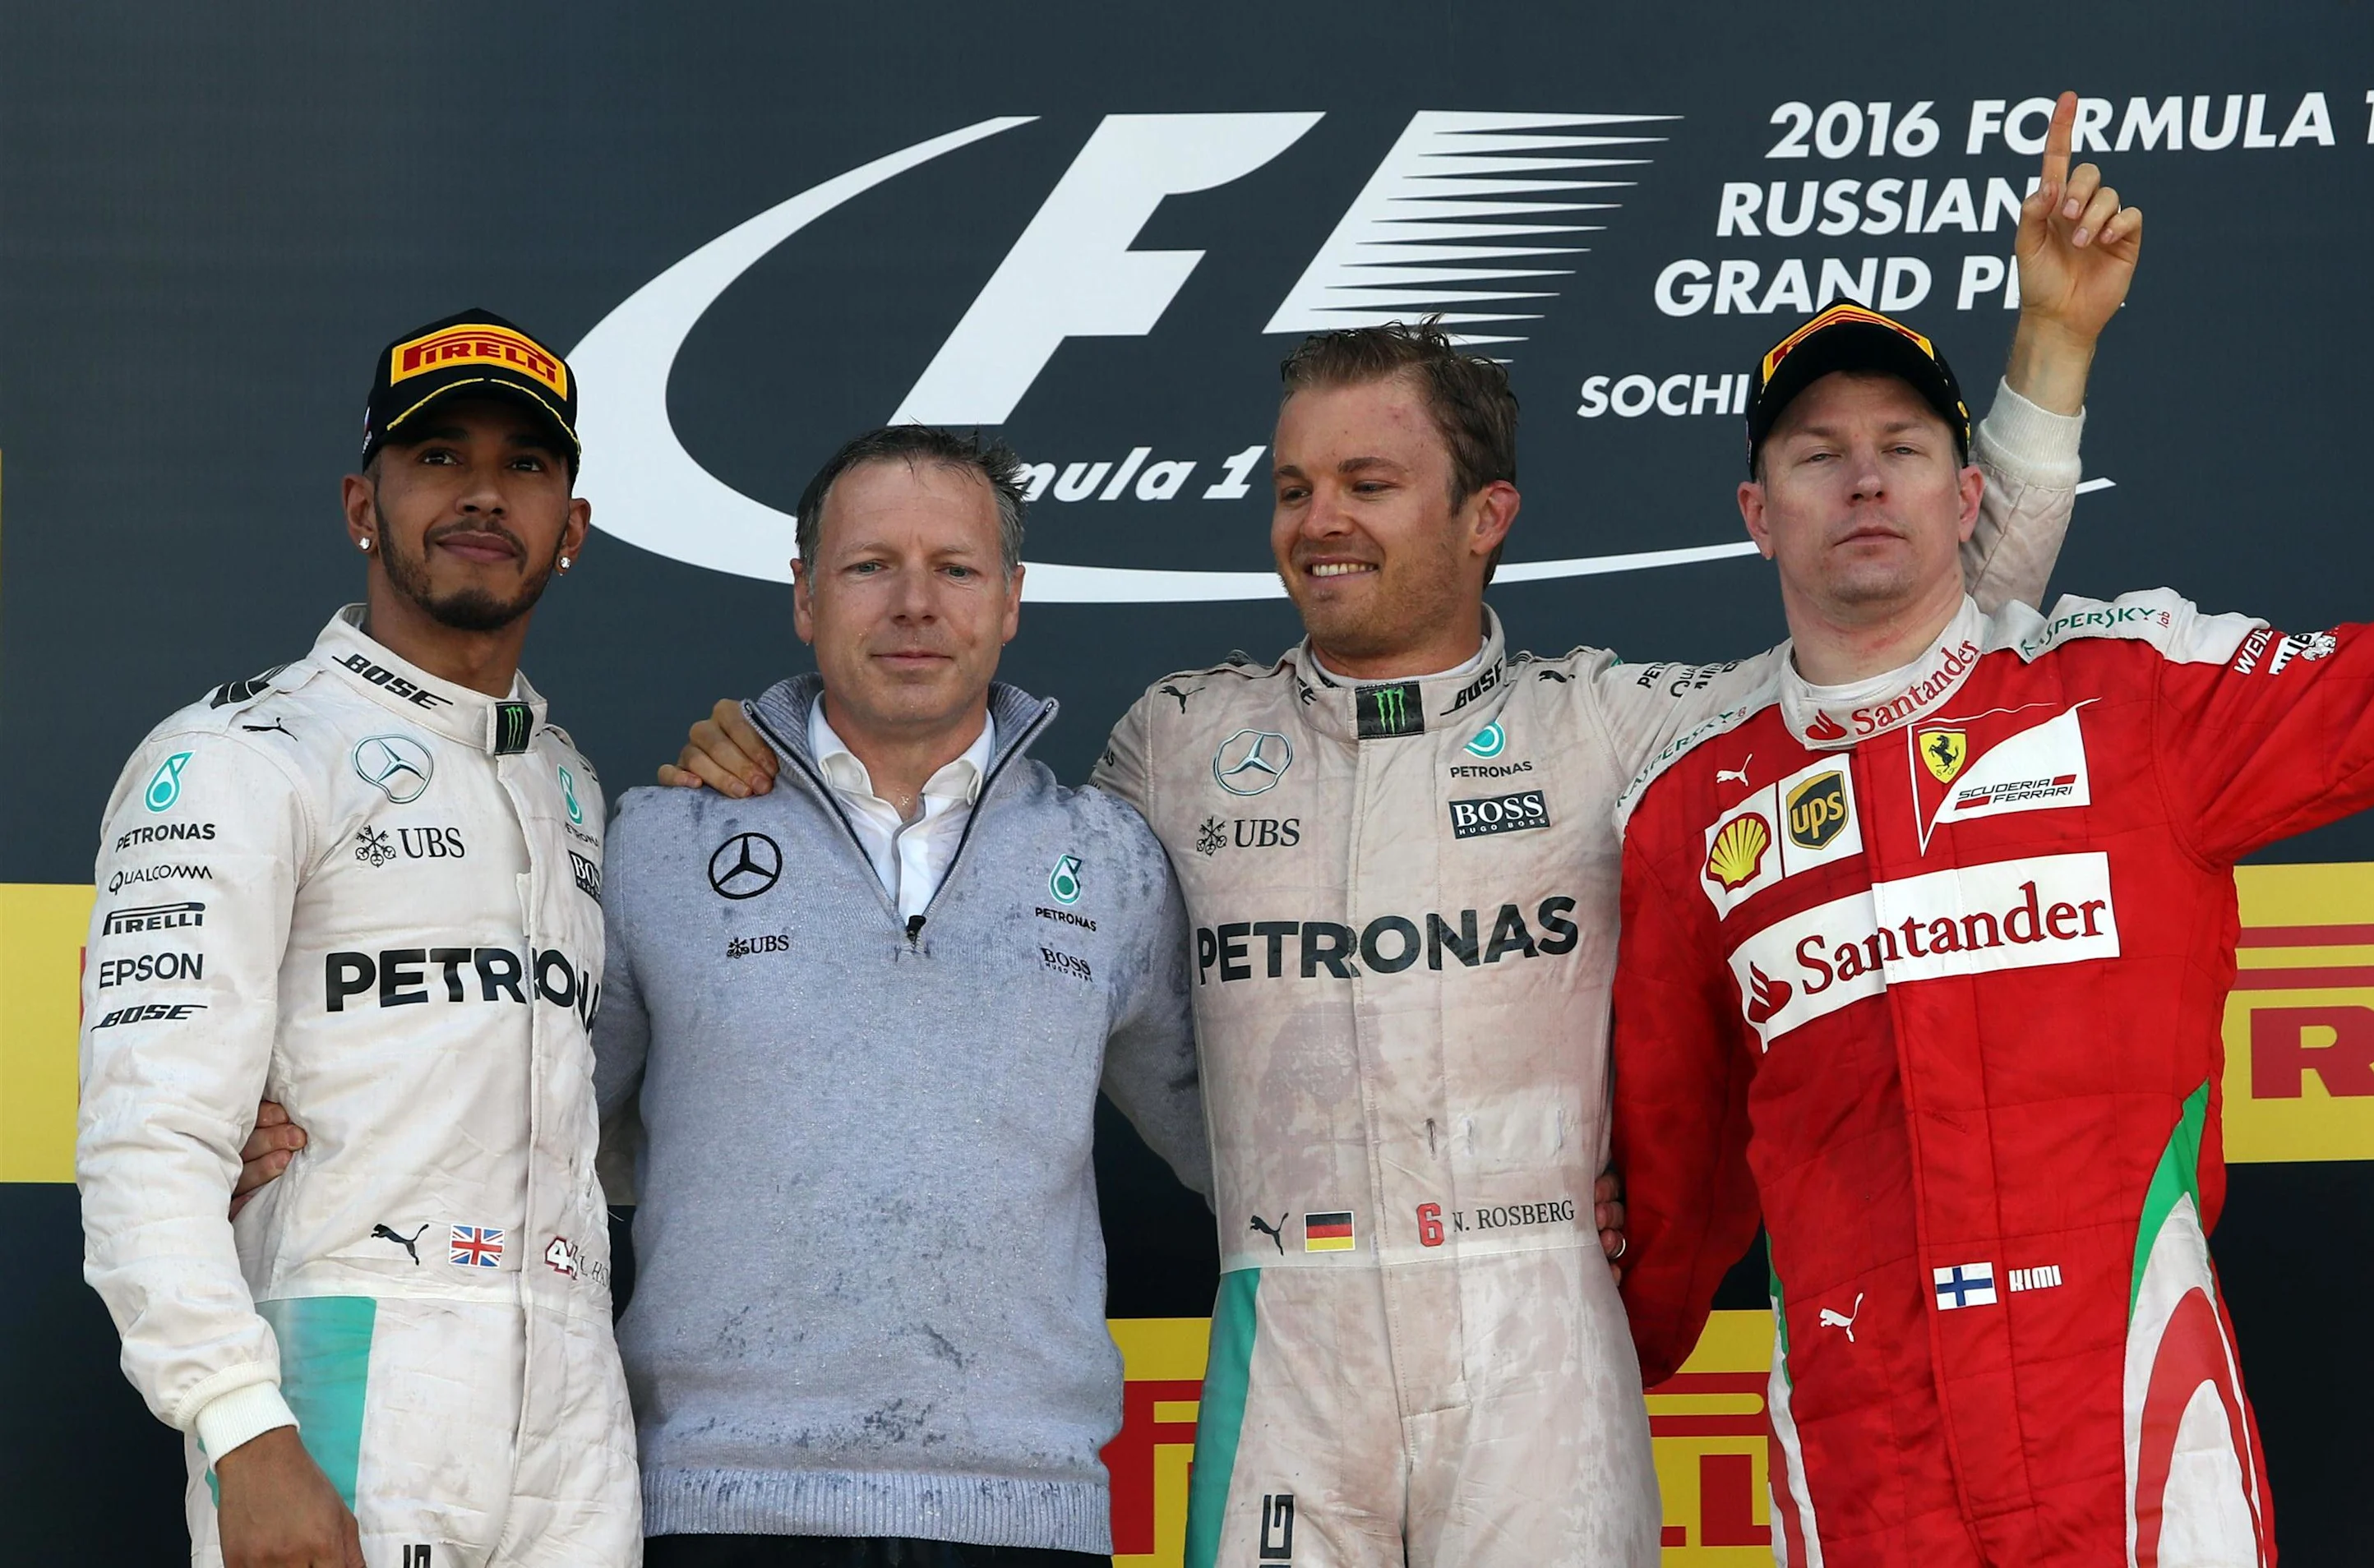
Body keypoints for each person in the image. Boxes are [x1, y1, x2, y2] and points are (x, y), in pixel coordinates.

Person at [667, 95, 2141, 1568]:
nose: (1321, 522)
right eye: (1295, 487)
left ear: (1485, 511)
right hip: (1286, 1325)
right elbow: (968, 844)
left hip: (1542, 1318)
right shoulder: (1182, 742)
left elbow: (1920, 632)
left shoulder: (1607, 727)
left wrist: (2050, 362)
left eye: (1370, 485)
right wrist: (783, 760)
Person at [1605, 119, 2374, 1567]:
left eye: (1902, 446)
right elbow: (1673, 1177)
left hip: (2135, 1441)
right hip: (1862, 1466)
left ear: (1970, 494)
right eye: (1818, 455)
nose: (1866, 481)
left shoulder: (2134, 697)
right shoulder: (1694, 809)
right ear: (1758, 516)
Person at [594, 426, 1211, 1567]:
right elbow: (549, 1142)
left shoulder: (1112, 859)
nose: (915, 604)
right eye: (872, 565)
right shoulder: (658, 842)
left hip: (1025, 1511)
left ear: (1012, 600)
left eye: (957, 569)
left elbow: (1236, 1146)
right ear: (804, 596)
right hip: (721, 1506)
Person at [76, 309, 634, 1567]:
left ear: (574, 529)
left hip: (575, 1409)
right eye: (438, 456)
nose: (483, 493)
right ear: (359, 506)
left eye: (525, 465)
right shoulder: (239, 755)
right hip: (342, 1377)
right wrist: (240, 1425)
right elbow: (146, 1133)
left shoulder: (570, 784)